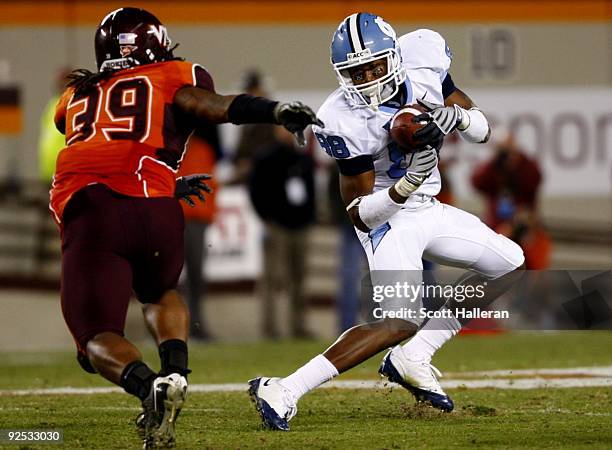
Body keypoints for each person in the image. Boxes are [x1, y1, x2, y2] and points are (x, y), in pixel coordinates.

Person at [50, 7, 321, 448]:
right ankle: (174, 369)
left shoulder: (73, 98)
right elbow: (208, 106)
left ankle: (148, 388)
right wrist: (273, 111)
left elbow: (102, 147)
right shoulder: (171, 75)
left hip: (93, 210)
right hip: (156, 208)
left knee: (96, 336)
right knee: (160, 290)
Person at [249, 12, 524, 430]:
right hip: (388, 219)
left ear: (395, 55)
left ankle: (415, 355)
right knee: (400, 319)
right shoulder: (340, 117)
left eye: (376, 66)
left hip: (428, 208)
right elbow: (358, 213)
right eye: (356, 72)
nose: (369, 79)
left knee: (509, 261)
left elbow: (482, 131)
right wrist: (406, 185)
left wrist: (461, 118)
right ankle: (283, 388)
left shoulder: (425, 57)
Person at [249, 125, 316, 338]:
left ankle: (298, 326)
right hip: (277, 226)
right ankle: (269, 328)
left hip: (301, 226)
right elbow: (255, 191)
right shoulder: (266, 157)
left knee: (300, 279)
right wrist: (267, 219)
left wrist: (309, 217)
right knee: (272, 279)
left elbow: (311, 192)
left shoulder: (303, 159)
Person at [177, 126, 222, 340]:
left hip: (197, 221)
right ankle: (172, 330)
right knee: (171, 279)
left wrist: (210, 214)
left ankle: (196, 325)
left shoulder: (204, 150)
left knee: (196, 277)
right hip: (175, 220)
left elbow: (212, 185)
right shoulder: (170, 150)